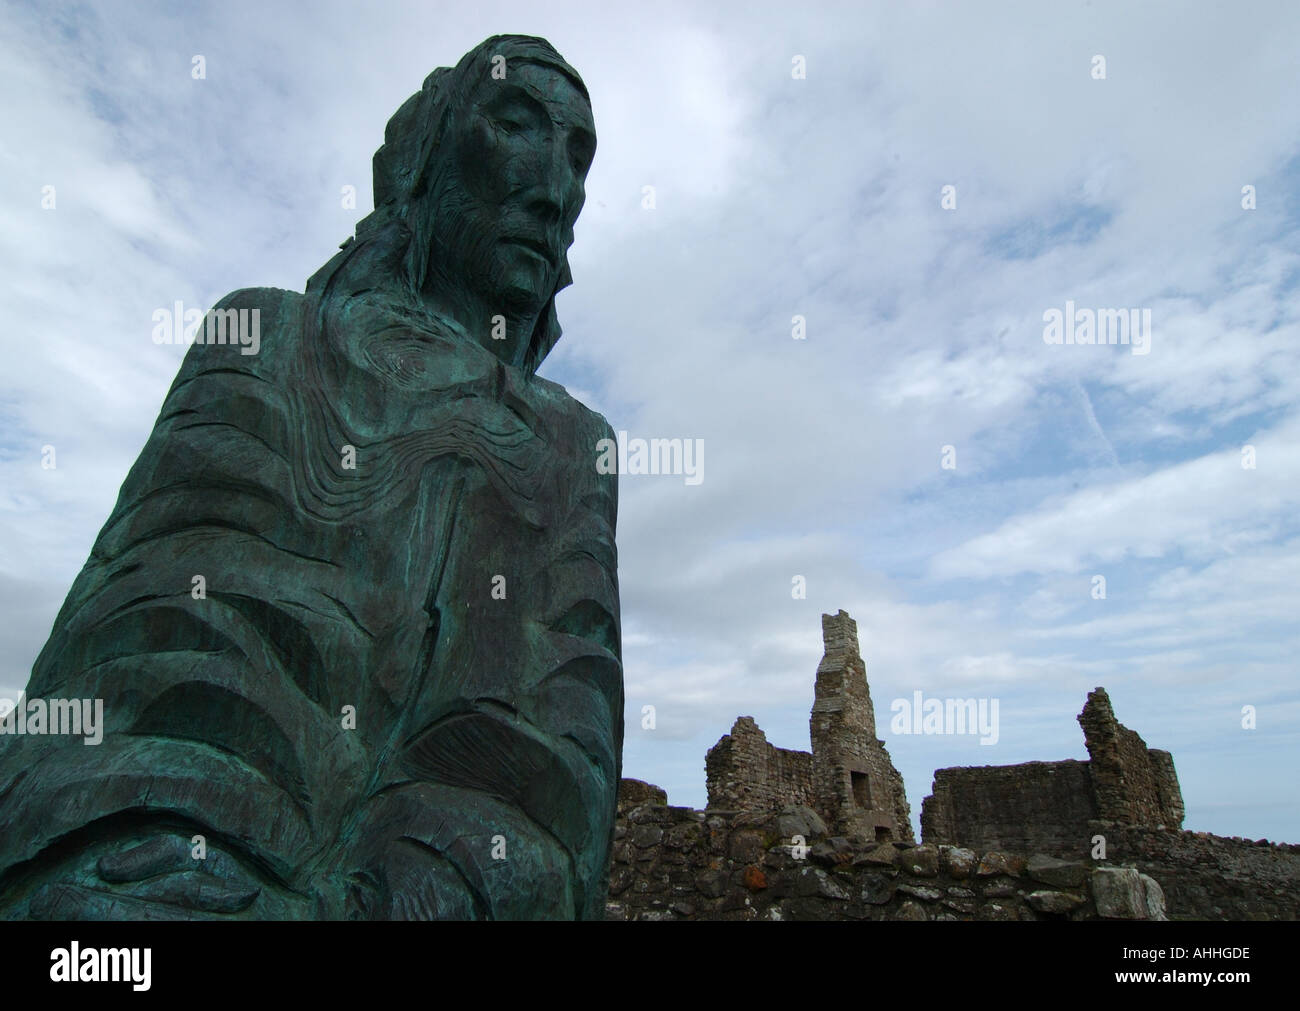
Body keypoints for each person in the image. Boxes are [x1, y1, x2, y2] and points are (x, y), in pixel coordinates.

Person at [0, 35, 622, 921]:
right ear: (423, 159)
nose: (554, 186)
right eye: (515, 126)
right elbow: (135, 658)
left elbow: (563, 760)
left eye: (577, 157)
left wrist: (407, 893)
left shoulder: (574, 444)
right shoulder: (259, 341)